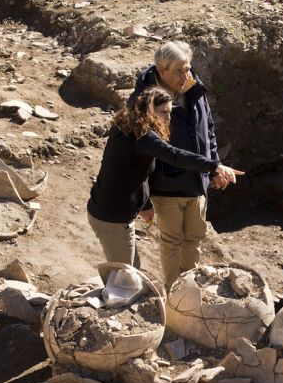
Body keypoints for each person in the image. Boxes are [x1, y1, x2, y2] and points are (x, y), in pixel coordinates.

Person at [87, 86, 242, 268]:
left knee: (131, 271)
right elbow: (174, 155)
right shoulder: (142, 136)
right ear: (150, 111)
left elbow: (137, 172)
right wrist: (215, 166)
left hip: (110, 211)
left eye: (170, 111)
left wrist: (144, 205)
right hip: (111, 218)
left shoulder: (128, 126)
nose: (169, 118)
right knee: (124, 279)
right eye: (164, 112)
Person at [129, 41, 231, 289]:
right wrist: (143, 201)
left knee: (194, 239)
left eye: (188, 68)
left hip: (197, 183)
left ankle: (190, 289)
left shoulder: (194, 87)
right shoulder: (143, 101)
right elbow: (137, 154)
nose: (185, 76)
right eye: (178, 71)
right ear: (161, 70)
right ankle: (174, 293)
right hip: (167, 185)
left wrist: (213, 166)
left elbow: (208, 130)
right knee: (172, 241)